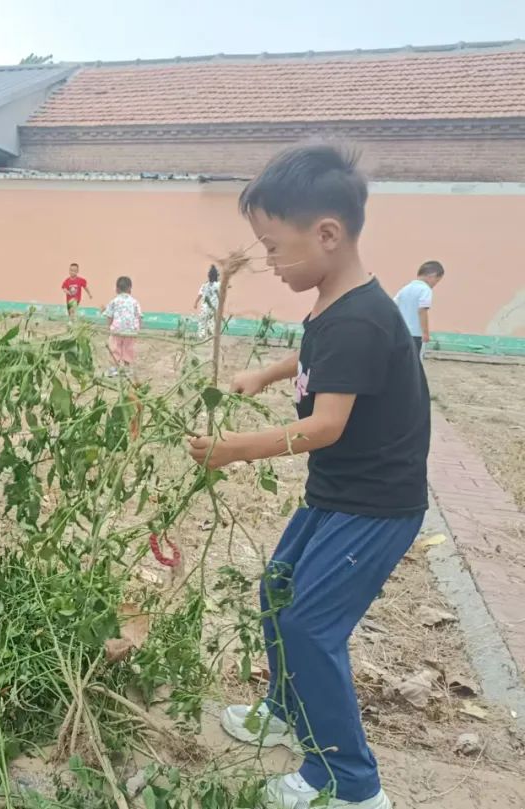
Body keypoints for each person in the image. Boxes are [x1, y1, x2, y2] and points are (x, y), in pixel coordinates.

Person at [189, 144, 427, 809]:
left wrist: (235, 448)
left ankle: (350, 783)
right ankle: (288, 710)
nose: (267, 262)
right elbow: (313, 353)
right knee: (277, 591)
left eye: (273, 247)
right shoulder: (335, 303)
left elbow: (325, 426)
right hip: (341, 494)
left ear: (327, 234)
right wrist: (263, 373)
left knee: (310, 627)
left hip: (375, 507)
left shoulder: (361, 317)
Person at [394, 261, 445, 357]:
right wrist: (425, 333)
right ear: (432, 276)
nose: (435, 284)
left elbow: (394, 306)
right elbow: (422, 310)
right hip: (416, 335)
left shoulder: (405, 288)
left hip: (401, 332)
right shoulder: (425, 289)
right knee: (416, 362)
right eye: (437, 281)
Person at [103, 275, 142, 376]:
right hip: (131, 330)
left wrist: (109, 327)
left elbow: (109, 316)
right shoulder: (135, 302)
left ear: (116, 289)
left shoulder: (114, 301)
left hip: (117, 330)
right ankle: (127, 368)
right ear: (130, 289)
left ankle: (114, 368)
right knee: (128, 348)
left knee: (115, 347)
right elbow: (138, 316)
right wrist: (138, 329)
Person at [194, 264, 221, 340]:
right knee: (211, 323)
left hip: (205, 308)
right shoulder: (219, 285)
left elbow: (200, 295)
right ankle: (211, 338)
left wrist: (195, 303)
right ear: (217, 276)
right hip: (214, 309)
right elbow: (227, 286)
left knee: (202, 323)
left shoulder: (205, 285)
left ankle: (201, 337)